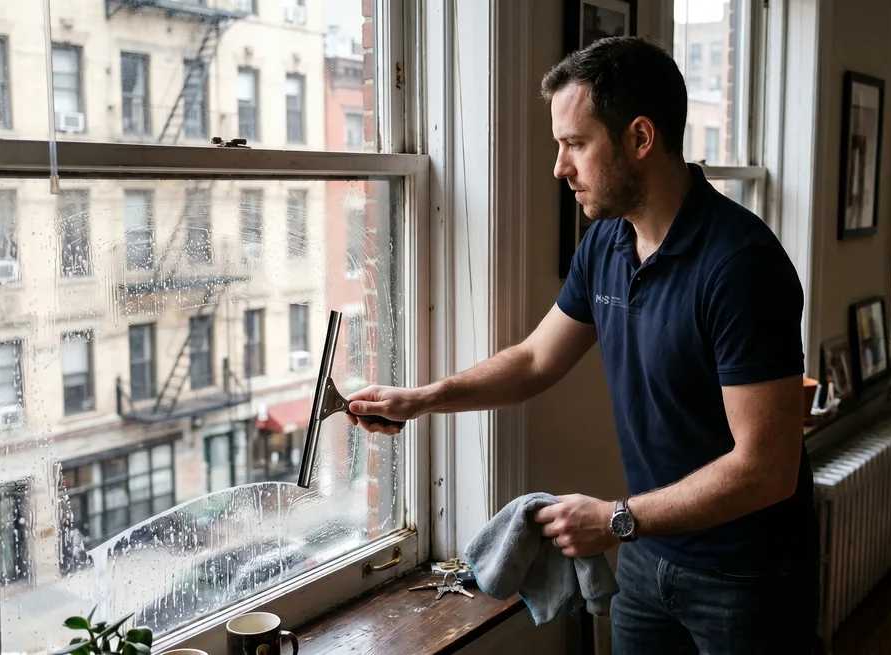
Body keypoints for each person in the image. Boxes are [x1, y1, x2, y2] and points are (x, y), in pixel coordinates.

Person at [345, 35, 818, 655]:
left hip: (749, 573)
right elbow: (536, 360)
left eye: (574, 144)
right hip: (649, 561)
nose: (559, 167)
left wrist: (615, 519)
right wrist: (424, 399)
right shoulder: (606, 246)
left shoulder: (741, 265)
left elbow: (766, 470)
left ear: (640, 139)